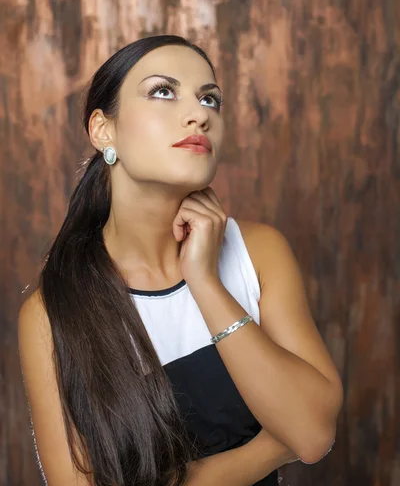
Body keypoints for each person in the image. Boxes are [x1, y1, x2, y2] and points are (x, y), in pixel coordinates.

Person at [18, 35, 343, 486]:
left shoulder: (259, 252)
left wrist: (205, 283)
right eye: (163, 91)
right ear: (102, 130)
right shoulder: (51, 314)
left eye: (210, 98)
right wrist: (271, 447)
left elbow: (310, 435)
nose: (200, 115)